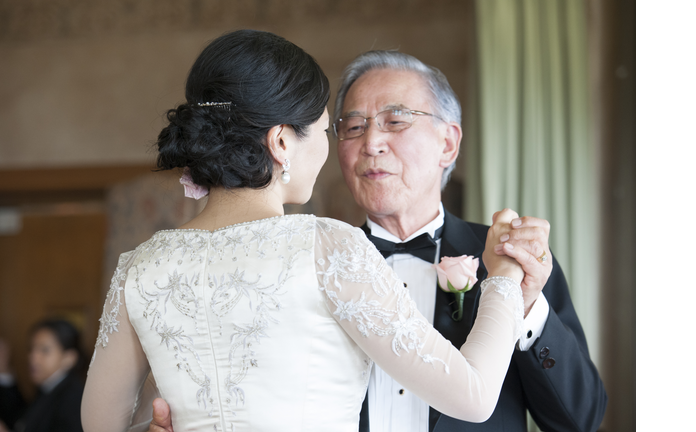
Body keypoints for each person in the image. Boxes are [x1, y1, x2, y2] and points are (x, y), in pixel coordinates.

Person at [82, 30, 529, 432]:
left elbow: (102, 424)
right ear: (281, 142)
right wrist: (505, 276)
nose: (330, 146)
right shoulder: (326, 247)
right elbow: (473, 396)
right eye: (323, 129)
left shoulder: (140, 266)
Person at [331, 51, 607, 432]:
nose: (372, 142)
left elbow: (581, 419)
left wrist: (524, 305)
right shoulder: (322, 264)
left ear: (448, 144)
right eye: (355, 126)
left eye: (395, 121)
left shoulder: (510, 259)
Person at [0, 319, 86, 432]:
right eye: (31, 349)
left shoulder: (73, 399)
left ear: (69, 358)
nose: (33, 358)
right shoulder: (48, 386)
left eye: (44, 350)